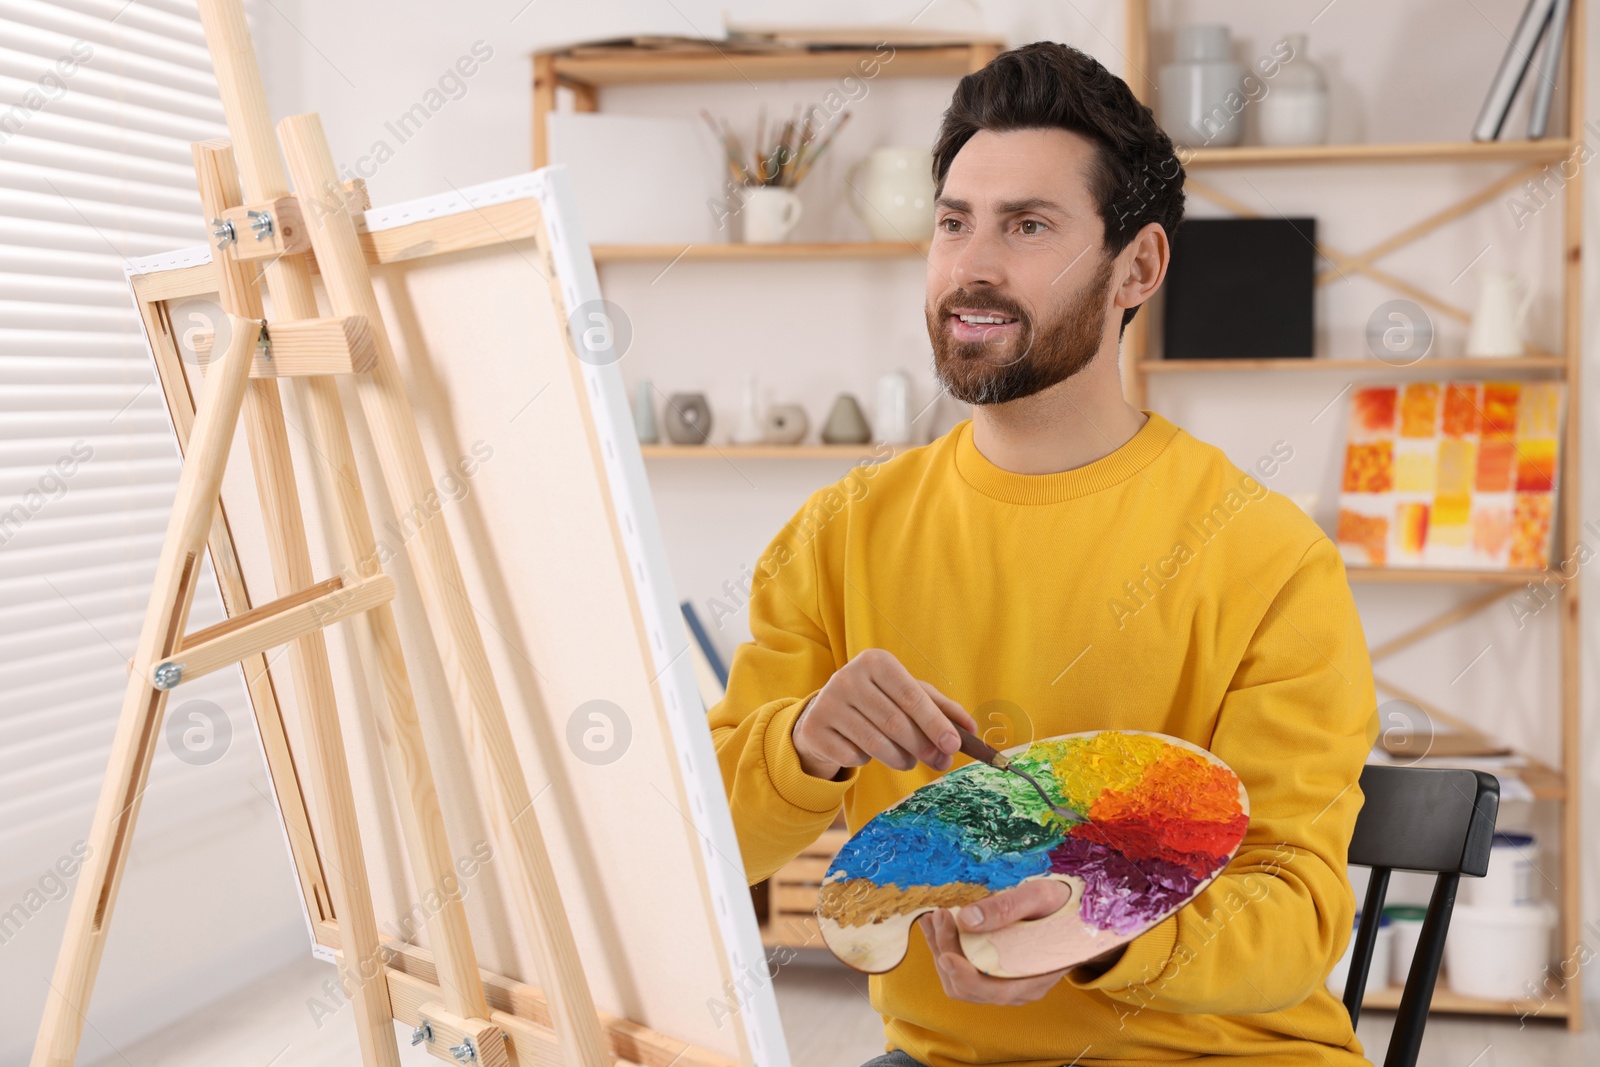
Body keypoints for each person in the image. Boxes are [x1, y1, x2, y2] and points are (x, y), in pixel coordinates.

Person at [708, 41, 1378, 1067]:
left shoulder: (1267, 557)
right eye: (952, 222)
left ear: (1137, 267)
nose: (971, 266)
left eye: (1026, 226)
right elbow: (700, 849)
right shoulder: (839, 533)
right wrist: (800, 745)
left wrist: (1093, 936)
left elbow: (1297, 912)